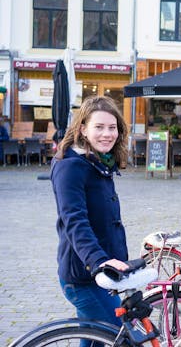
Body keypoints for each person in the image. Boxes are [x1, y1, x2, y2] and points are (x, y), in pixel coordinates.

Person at [50, 96, 130, 331]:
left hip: (99, 274)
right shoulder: (70, 166)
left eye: (112, 127)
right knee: (124, 333)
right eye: (99, 127)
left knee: (95, 338)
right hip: (84, 277)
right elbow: (74, 221)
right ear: (83, 129)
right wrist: (99, 261)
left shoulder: (97, 162)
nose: (107, 134)